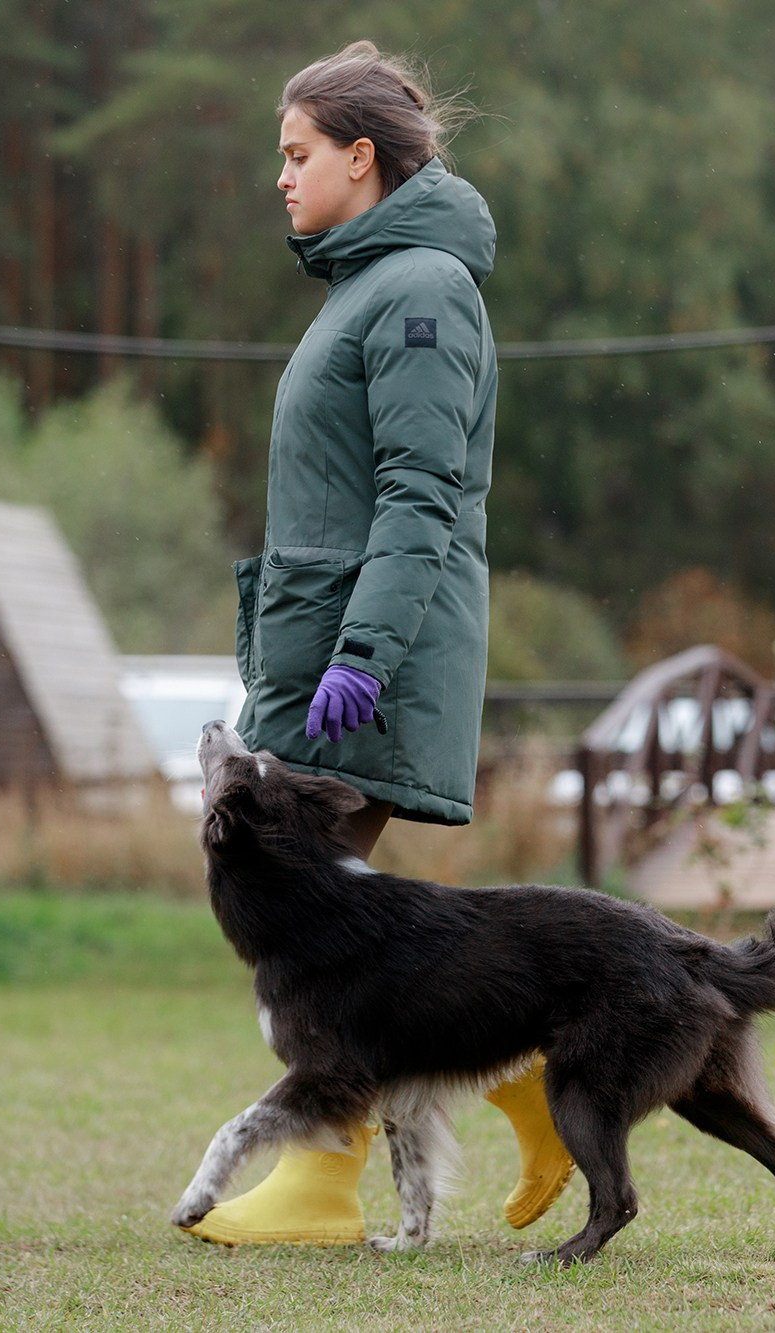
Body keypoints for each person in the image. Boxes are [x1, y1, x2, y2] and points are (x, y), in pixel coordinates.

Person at [181, 40, 575, 1247]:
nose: (281, 179)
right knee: (345, 942)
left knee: (321, 947)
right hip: (320, 651)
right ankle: (528, 1089)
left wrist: (361, 653)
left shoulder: (418, 291)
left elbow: (418, 495)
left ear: (361, 158)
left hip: (364, 667)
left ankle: (320, 1184)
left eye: (296, 156)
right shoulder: (370, 285)